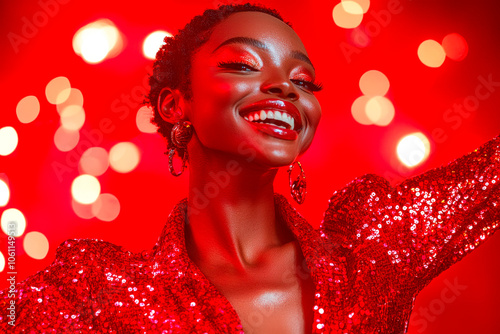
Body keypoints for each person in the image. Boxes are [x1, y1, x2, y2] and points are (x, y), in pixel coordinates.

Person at [1, 3, 499, 333]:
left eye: (303, 80)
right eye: (243, 65)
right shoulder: (95, 295)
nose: (286, 88)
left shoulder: (370, 253)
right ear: (177, 105)